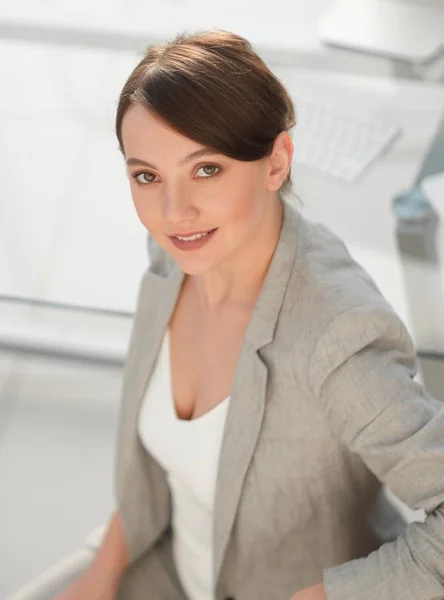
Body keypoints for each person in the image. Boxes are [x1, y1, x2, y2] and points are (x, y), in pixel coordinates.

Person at [55, 28, 444, 600]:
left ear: (276, 162)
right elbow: (160, 473)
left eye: (206, 169)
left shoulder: (338, 336)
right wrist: (102, 574)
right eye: (147, 176)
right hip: (168, 570)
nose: (173, 211)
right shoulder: (172, 261)